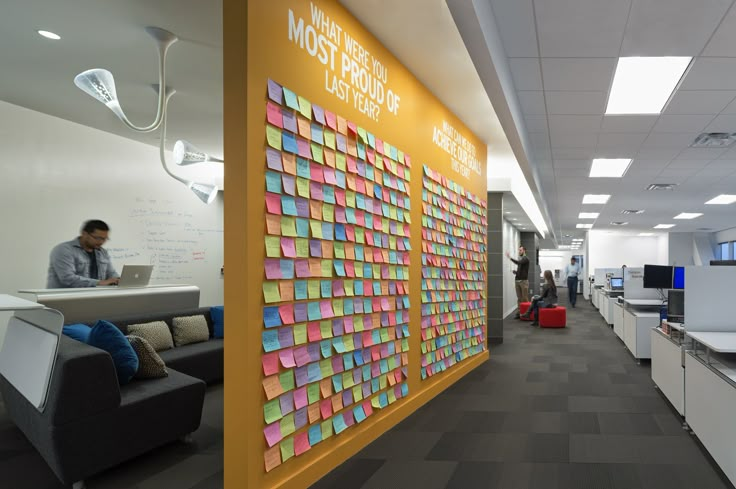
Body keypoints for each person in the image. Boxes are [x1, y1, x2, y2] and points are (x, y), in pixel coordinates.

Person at [47, 220, 120, 288]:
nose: (101, 242)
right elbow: (67, 278)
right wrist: (99, 283)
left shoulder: (102, 252)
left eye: (104, 239)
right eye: (98, 238)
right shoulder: (64, 250)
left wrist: (118, 280)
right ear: (84, 234)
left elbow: (111, 273)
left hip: (92, 297)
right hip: (63, 298)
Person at [506, 246, 530, 319]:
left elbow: (518, 262)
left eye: (520, 250)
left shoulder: (526, 259)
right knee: (519, 298)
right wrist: (516, 272)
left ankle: (526, 313)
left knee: (524, 298)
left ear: (524, 251)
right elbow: (521, 269)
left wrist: (510, 257)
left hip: (523, 281)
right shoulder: (522, 259)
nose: (519, 251)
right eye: (519, 250)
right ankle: (520, 313)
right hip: (517, 281)